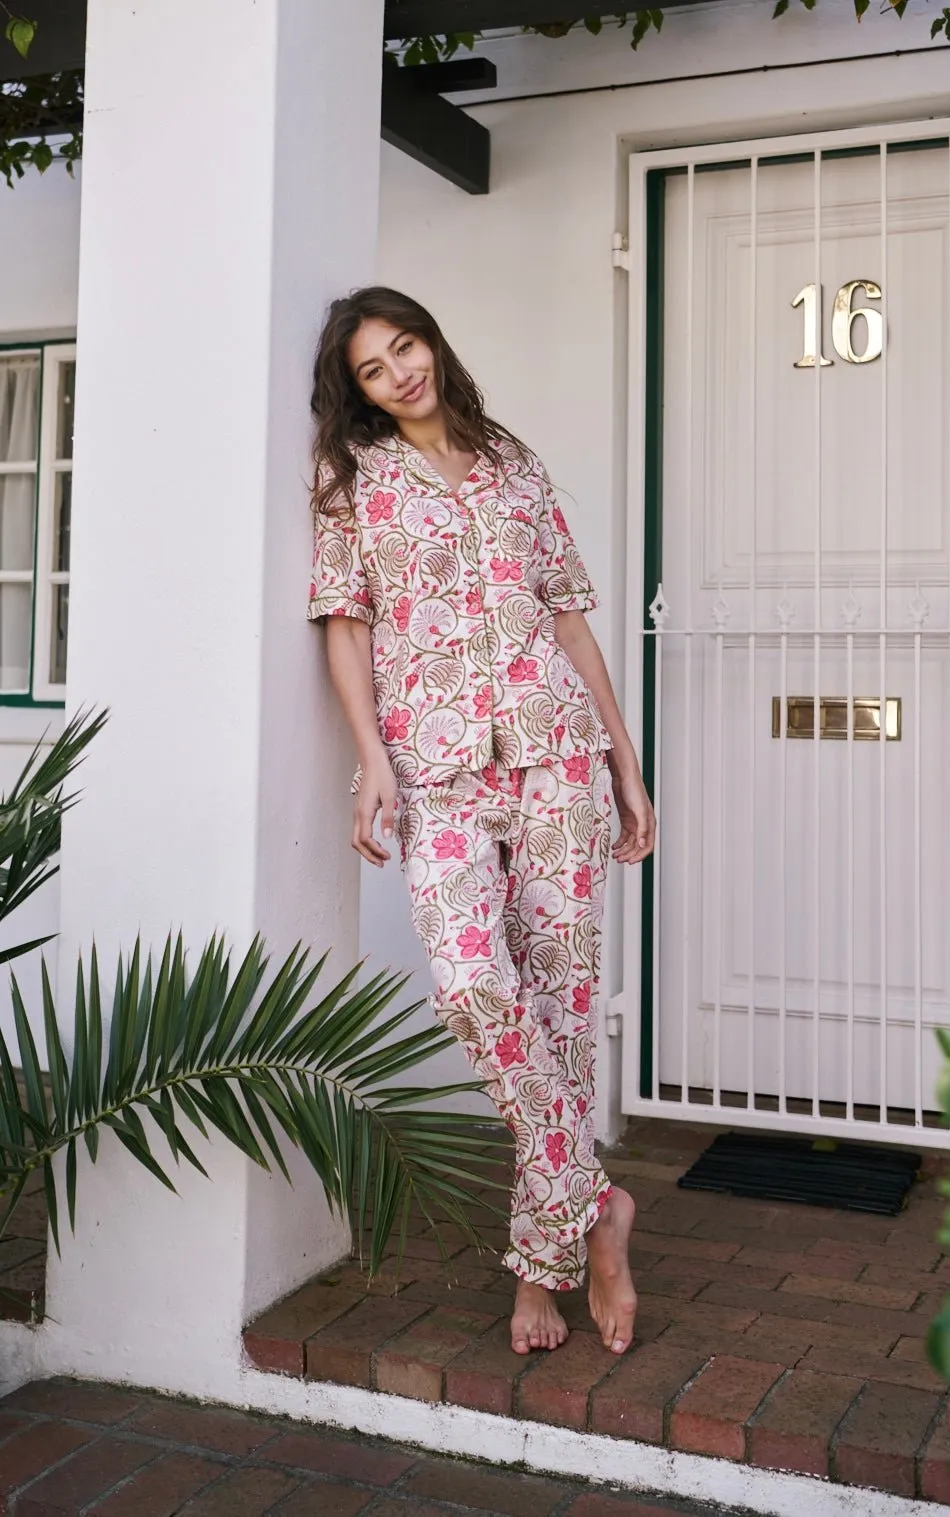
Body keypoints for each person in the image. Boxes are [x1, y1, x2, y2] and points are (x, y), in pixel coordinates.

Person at [307, 287, 656, 1358]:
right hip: (439, 769)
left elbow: (567, 619)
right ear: (356, 390)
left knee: (558, 1006)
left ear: (432, 343)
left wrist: (626, 766)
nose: (399, 372)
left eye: (404, 346)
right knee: (472, 984)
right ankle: (596, 1198)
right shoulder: (351, 484)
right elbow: (345, 624)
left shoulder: (511, 458)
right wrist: (371, 760)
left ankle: (542, 1264)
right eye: (373, 367)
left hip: (556, 758)